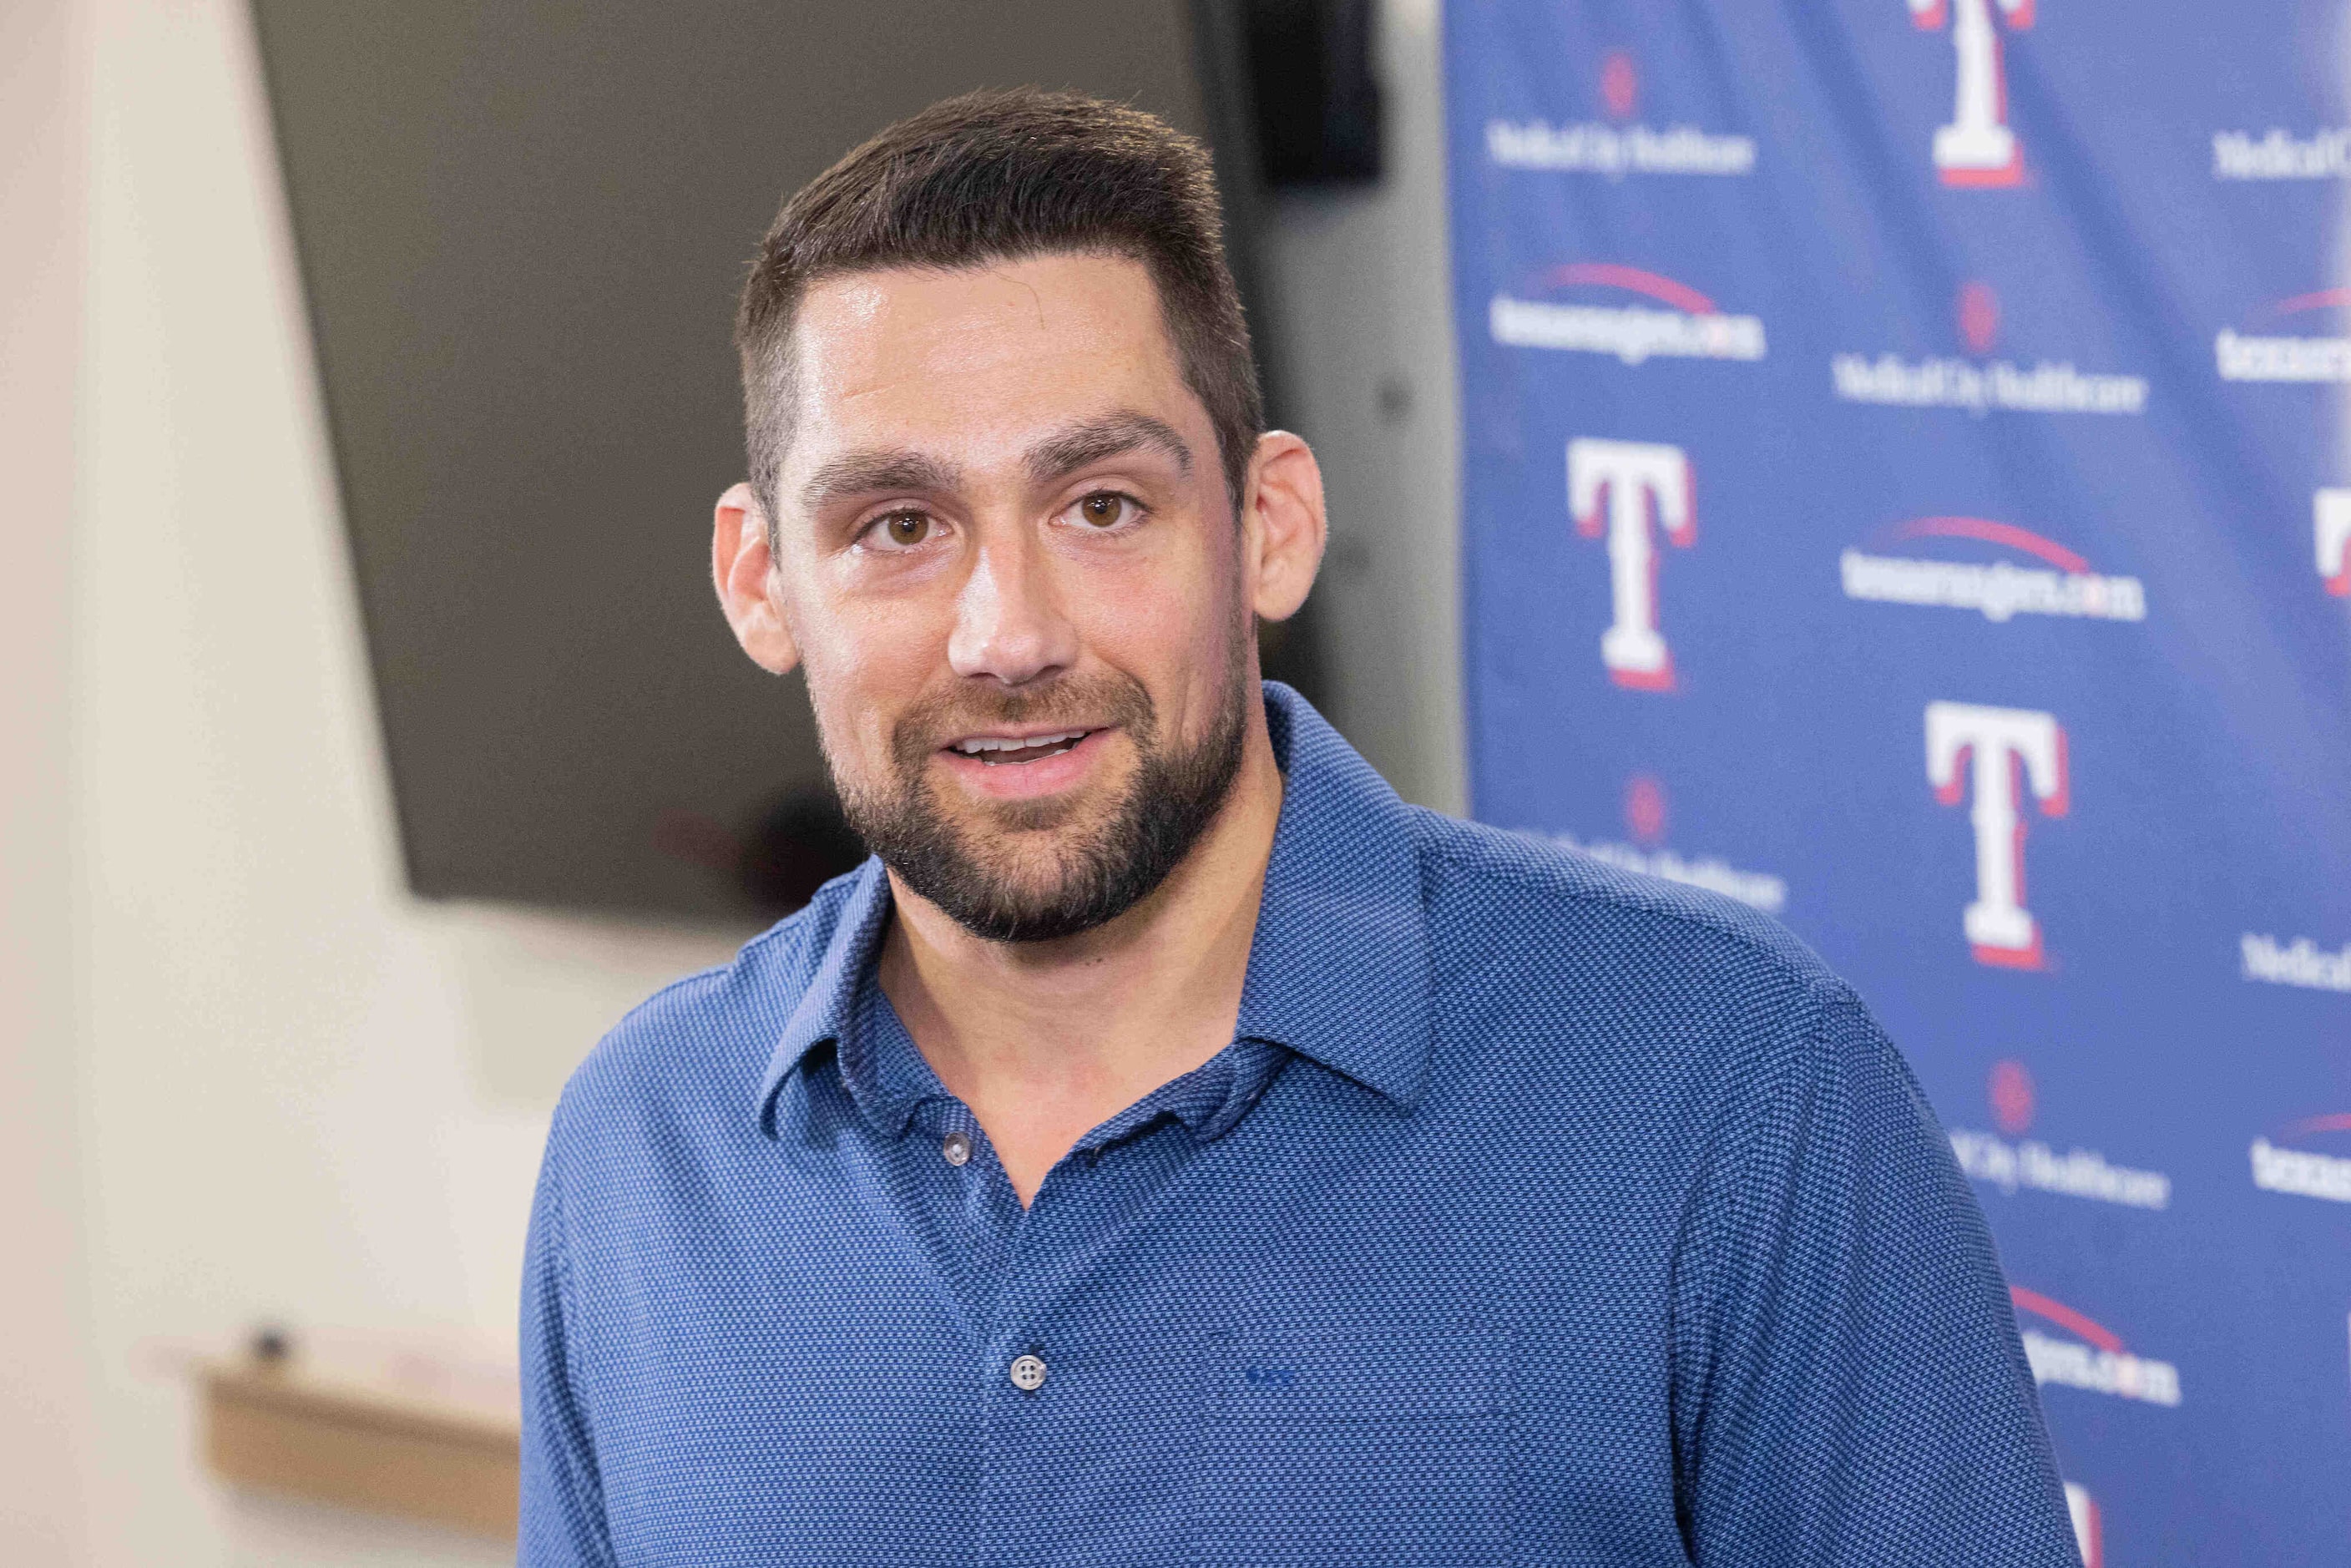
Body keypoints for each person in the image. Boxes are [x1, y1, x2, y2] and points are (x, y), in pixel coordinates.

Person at [519, 89, 2079, 1566]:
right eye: (899, 527)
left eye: (1103, 505)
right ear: (760, 578)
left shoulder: (1731, 1095)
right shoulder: (640, 1152)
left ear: (1268, 526)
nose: (1007, 633)